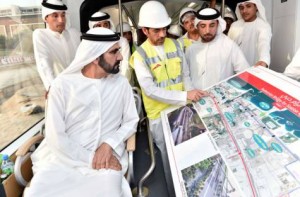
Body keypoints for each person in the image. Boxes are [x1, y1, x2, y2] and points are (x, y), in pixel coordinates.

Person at [24, 27, 139, 197]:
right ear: (94, 57)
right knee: (37, 192)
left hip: (106, 162)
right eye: (114, 52)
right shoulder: (62, 86)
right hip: (63, 160)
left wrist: (108, 144)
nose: (121, 57)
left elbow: (131, 121)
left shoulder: (121, 84)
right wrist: (90, 158)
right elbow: (56, 137)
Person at [129, 1, 206, 196]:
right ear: (144, 30)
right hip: (159, 117)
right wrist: (184, 96)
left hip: (183, 109)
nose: (162, 34)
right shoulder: (140, 56)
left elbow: (185, 76)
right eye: (156, 31)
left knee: (190, 154)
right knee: (170, 161)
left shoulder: (176, 45)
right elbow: (150, 90)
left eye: (163, 29)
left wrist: (191, 97)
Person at [185, 8, 250, 90]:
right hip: (196, 100)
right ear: (197, 26)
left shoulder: (228, 45)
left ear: (218, 25)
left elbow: (245, 73)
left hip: (220, 100)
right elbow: (185, 76)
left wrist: (230, 91)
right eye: (203, 26)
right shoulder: (191, 49)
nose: (207, 30)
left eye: (212, 25)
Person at [33, 0, 81, 90]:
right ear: (46, 18)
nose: (61, 20)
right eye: (55, 16)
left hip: (79, 85)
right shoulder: (41, 35)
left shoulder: (74, 33)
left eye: (63, 15)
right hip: (59, 88)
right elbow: (44, 64)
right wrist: (51, 89)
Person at [89, 11, 133, 85]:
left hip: (120, 85)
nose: (103, 28)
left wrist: (119, 86)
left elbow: (126, 68)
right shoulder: (90, 45)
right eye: (98, 26)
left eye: (105, 25)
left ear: (110, 25)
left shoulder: (122, 41)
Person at [228, 0, 272, 67]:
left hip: (253, 68)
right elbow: (228, 47)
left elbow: (264, 44)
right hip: (233, 68)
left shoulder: (263, 26)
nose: (244, 11)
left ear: (256, 7)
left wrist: (263, 60)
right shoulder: (234, 25)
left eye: (248, 6)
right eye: (241, 8)